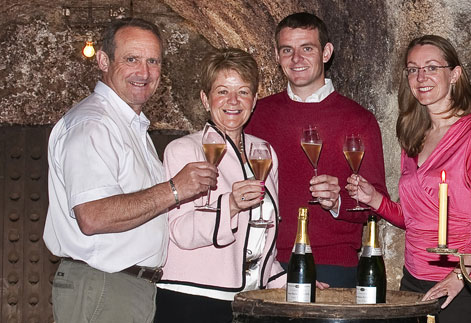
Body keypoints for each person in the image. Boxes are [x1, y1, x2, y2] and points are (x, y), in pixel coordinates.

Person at [43, 18, 218, 323]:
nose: (145, 72)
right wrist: (175, 189)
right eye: (132, 59)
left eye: (153, 61)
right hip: (103, 287)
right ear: (103, 61)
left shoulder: (129, 126)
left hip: (123, 289)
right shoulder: (94, 125)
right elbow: (93, 216)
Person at [346, 35, 471, 322]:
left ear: (454, 74)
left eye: (432, 67)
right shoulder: (414, 138)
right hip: (413, 280)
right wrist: (374, 199)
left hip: (462, 284)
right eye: (413, 69)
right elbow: (414, 219)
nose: (421, 77)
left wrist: (460, 274)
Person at [246, 12, 389, 288]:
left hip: (333, 266)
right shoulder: (256, 114)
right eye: (287, 50)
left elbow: (377, 202)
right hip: (264, 263)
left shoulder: (359, 120)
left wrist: (338, 203)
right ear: (277, 56)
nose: (296, 59)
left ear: (326, 52)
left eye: (307, 48)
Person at [154, 48, 286, 323]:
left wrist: (290, 284)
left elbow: (260, 241)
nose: (233, 101)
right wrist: (231, 205)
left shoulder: (263, 152)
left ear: (254, 99)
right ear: (205, 99)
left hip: (247, 300)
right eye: (222, 91)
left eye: (243, 91)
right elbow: (180, 231)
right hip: (192, 299)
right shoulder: (183, 150)